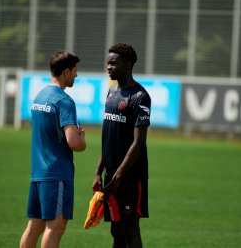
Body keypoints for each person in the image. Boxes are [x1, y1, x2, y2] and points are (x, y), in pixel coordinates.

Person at [20, 51, 86, 248]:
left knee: (34, 226)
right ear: (66, 72)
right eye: (74, 71)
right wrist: (82, 138)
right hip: (57, 173)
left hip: (38, 172)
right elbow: (74, 143)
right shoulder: (64, 101)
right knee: (55, 227)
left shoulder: (40, 96)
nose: (76, 75)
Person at [93, 43, 151, 248]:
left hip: (129, 177)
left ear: (127, 64)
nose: (109, 67)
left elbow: (138, 143)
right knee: (116, 230)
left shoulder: (140, 97)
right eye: (107, 63)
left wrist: (118, 177)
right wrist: (98, 172)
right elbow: (107, 136)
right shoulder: (111, 92)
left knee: (130, 229)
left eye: (113, 63)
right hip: (111, 177)